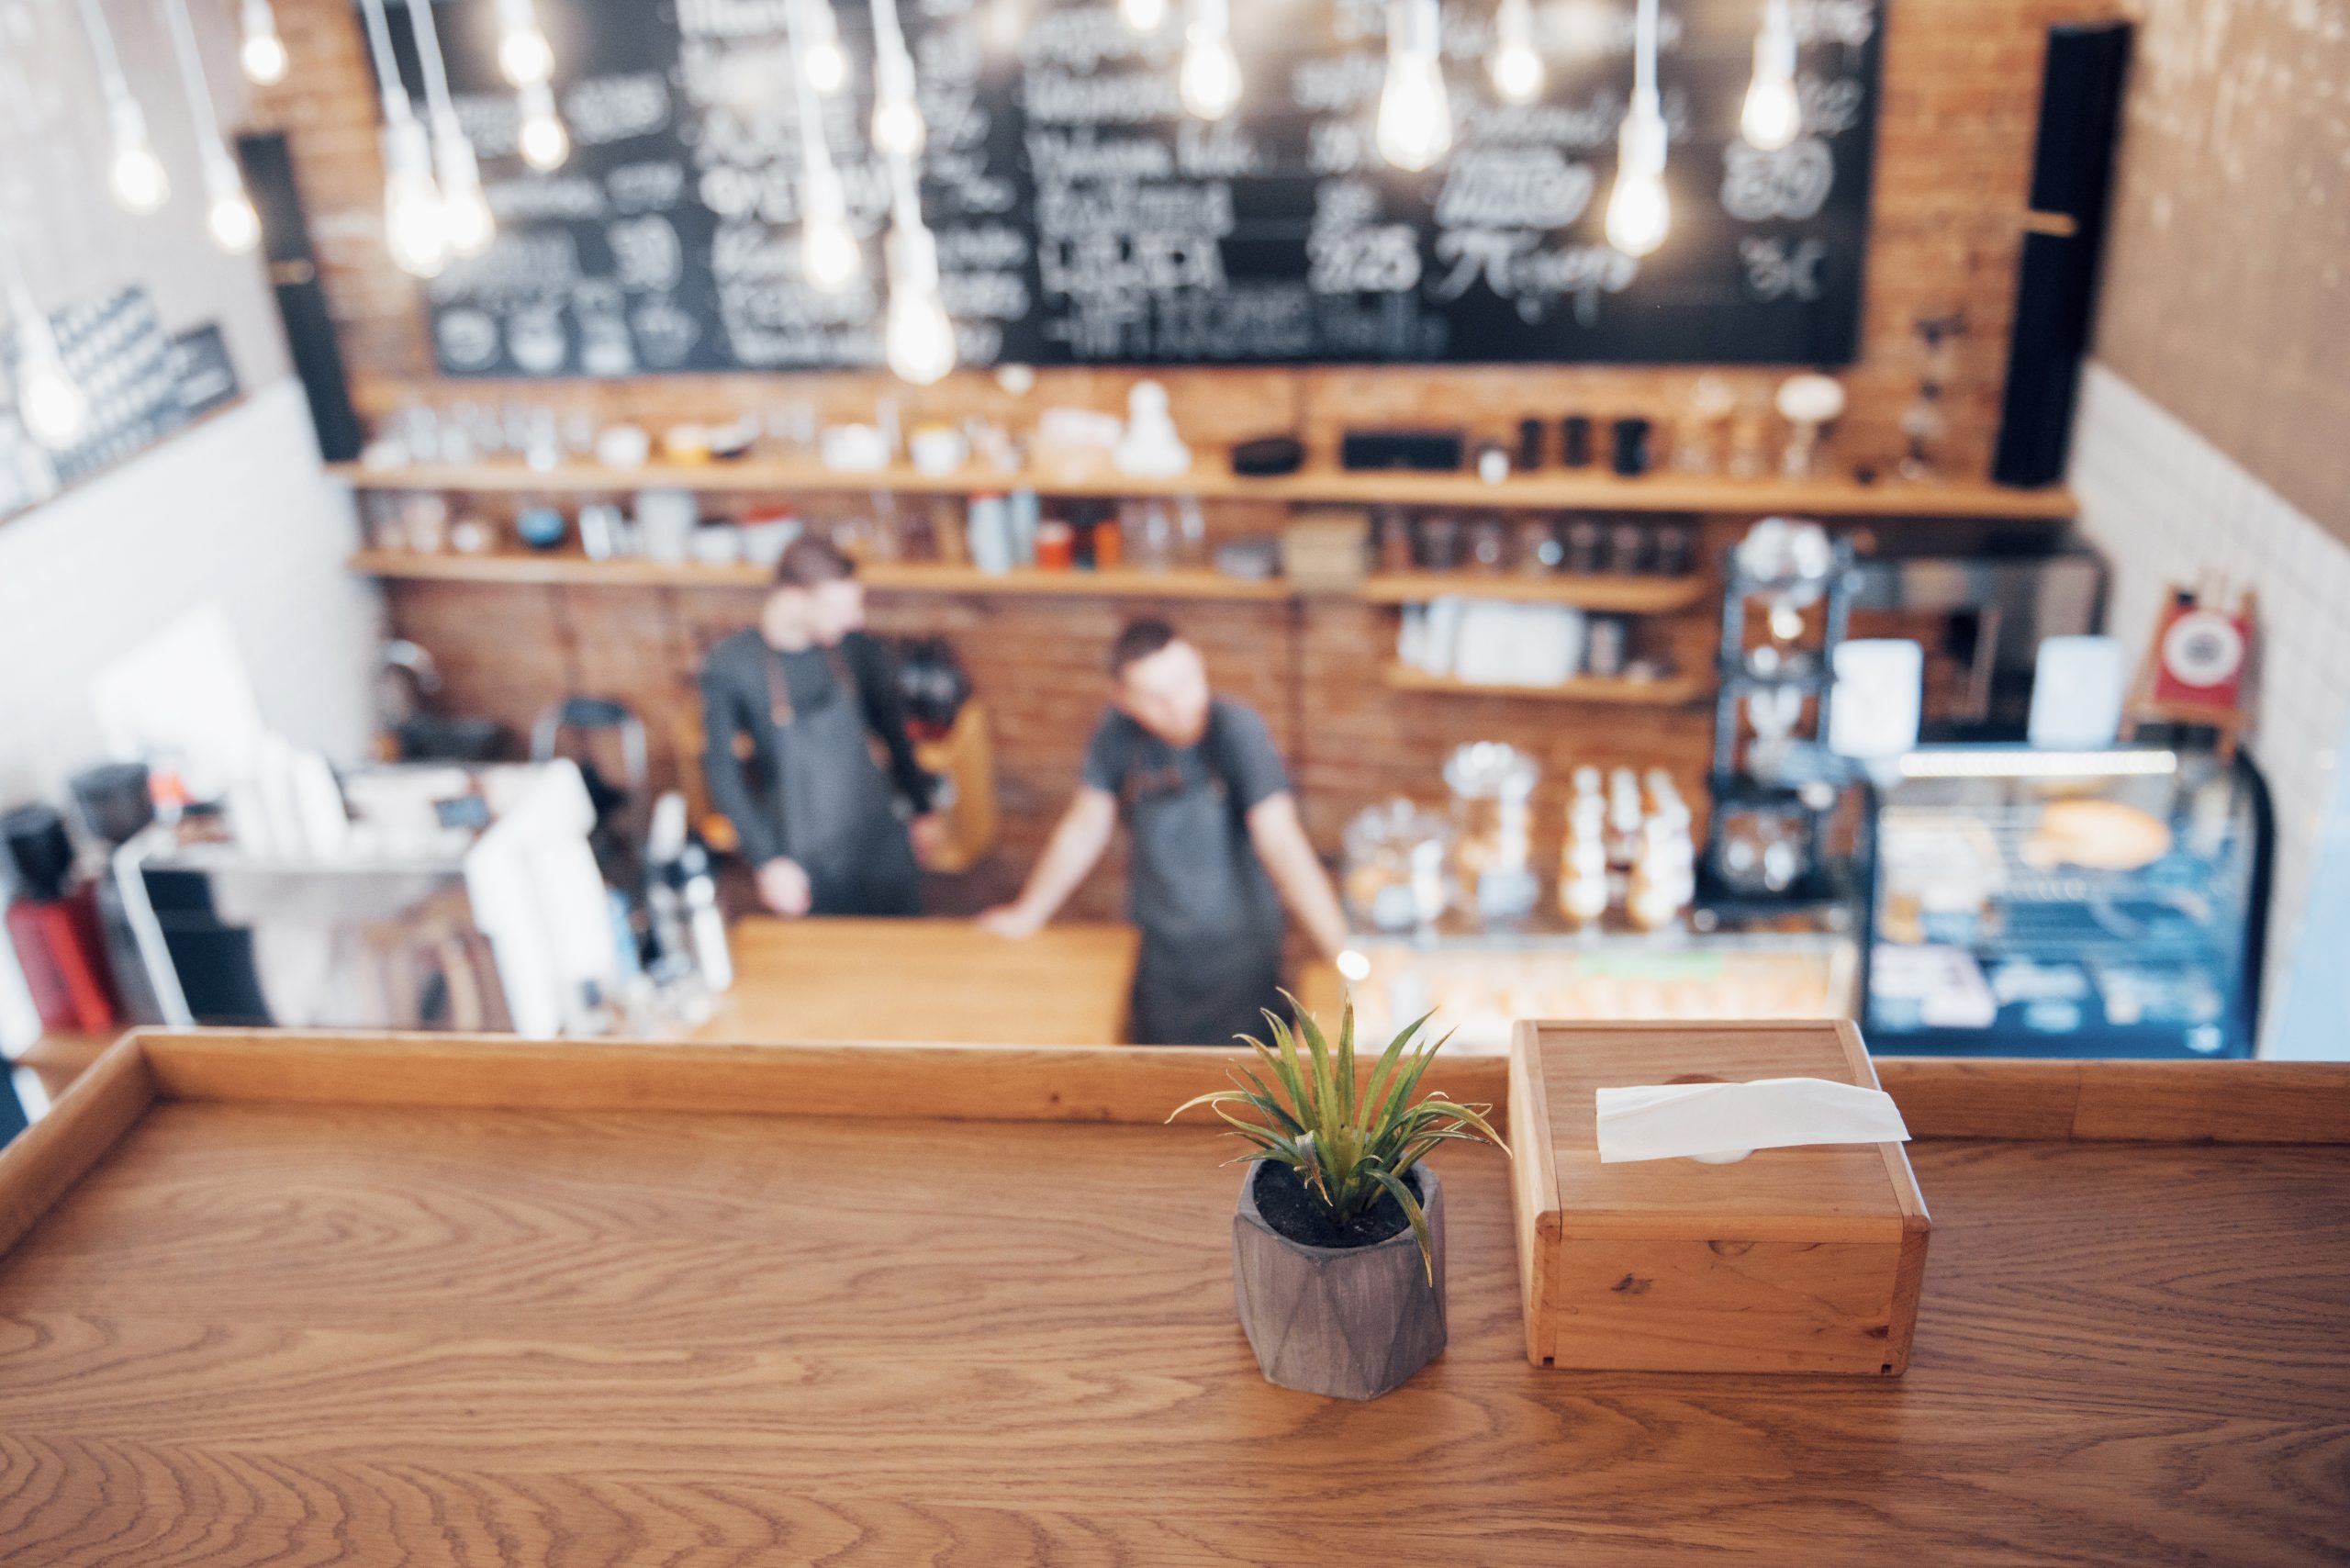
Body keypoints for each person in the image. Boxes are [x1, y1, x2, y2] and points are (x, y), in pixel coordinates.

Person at [980, 618, 1348, 1045]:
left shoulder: (1237, 731)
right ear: (1122, 700)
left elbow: (1281, 841)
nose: (1179, 703)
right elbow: (1084, 829)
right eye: (1156, 697)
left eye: (1185, 681)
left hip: (1242, 952)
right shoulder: (1117, 737)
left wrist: (1342, 953)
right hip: (1162, 953)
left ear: (1199, 662)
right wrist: (1029, 912)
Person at [699, 535, 945, 917]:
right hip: (804, 859)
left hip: (881, 845)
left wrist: (922, 807)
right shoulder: (732, 666)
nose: (856, 619)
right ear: (793, 597)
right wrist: (767, 860)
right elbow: (722, 771)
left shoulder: (853, 649)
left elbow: (893, 732)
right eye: (839, 607)